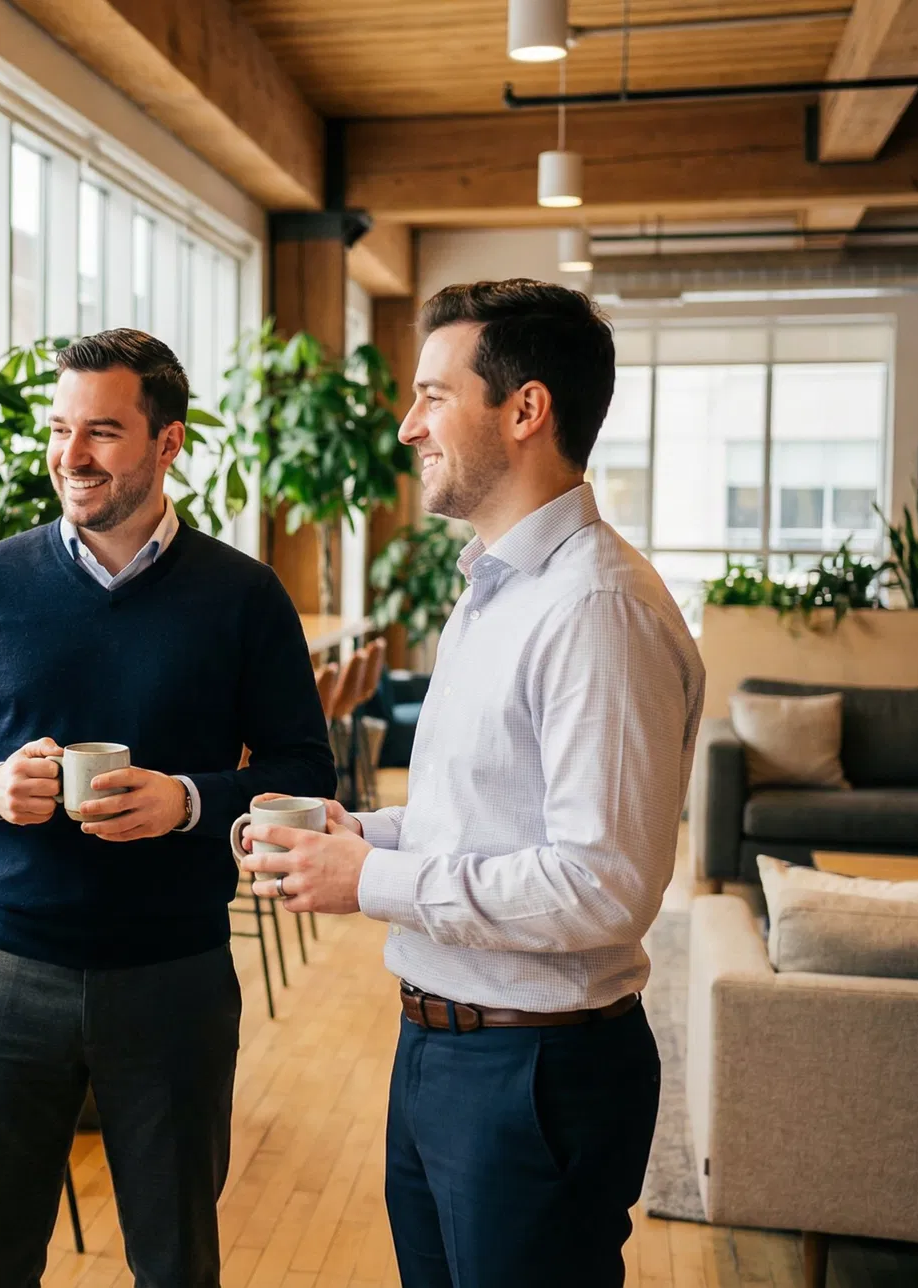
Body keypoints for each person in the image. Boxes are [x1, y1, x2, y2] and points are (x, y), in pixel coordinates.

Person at [238, 280, 704, 1288]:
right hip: (448, 1048)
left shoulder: (595, 610)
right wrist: (362, 832)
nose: (409, 427)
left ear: (525, 409)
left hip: (534, 1075)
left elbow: (603, 884)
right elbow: (485, 814)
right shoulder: (494, 587)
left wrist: (365, 881)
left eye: (432, 396)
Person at [0, 329, 336, 1288]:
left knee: (176, 1264)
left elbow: (307, 772)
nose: (70, 457)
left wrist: (186, 803)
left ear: (168, 444)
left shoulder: (244, 598)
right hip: (4, 972)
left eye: (103, 433)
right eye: (60, 430)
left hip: (173, 977)